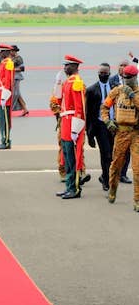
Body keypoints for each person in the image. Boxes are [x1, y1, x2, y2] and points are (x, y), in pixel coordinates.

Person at [101, 64, 139, 211]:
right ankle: (112, 189)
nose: (126, 80)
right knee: (116, 165)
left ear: (135, 78)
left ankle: (137, 199)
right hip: (121, 133)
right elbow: (104, 107)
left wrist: (132, 96)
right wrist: (107, 121)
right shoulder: (117, 91)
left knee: (137, 169)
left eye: (129, 78)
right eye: (124, 77)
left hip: (136, 133)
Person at [54, 55, 87, 200]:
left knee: (73, 158)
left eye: (67, 65)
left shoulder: (77, 82)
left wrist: (76, 128)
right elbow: (59, 99)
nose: (65, 67)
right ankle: (69, 186)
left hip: (73, 123)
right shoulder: (69, 81)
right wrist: (57, 84)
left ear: (74, 66)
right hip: (66, 122)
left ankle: (75, 188)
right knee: (67, 157)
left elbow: (79, 107)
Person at [86, 63, 114, 191]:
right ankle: (107, 180)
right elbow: (88, 114)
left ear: (109, 73)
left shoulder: (116, 87)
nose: (103, 75)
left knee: (113, 155)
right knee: (106, 154)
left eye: (105, 73)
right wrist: (89, 135)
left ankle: (104, 176)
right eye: (101, 72)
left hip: (114, 125)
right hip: (100, 125)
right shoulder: (92, 90)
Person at [109, 60, 133, 184]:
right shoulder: (111, 81)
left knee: (127, 150)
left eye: (125, 65)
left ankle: (123, 174)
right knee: (115, 150)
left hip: (128, 121)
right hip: (114, 120)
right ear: (117, 67)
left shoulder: (133, 82)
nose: (123, 67)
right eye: (121, 65)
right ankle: (113, 174)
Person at [0, 44, 14, 150]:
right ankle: (3, 139)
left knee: (5, 120)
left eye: (1, 52)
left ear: (5, 52)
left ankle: (6, 141)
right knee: (1, 120)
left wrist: (4, 97)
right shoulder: (3, 62)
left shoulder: (9, 63)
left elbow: (8, 80)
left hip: (4, 95)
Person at [10, 45, 29, 116]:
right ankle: (25, 109)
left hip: (17, 77)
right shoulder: (10, 57)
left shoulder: (19, 58)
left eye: (12, 51)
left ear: (15, 51)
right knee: (18, 93)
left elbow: (22, 68)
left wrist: (12, 69)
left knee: (15, 93)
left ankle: (10, 109)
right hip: (12, 77)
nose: (10, 52)